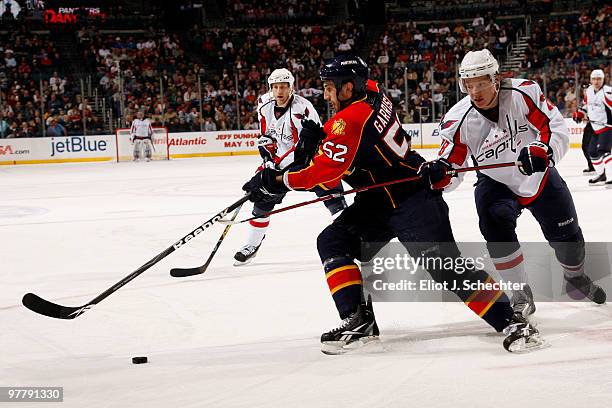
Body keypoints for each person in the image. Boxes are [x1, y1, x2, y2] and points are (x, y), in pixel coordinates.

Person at [241, 54, 544, 354]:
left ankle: (512, 321)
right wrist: (317, 140)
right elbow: (350, 144)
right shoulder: (372, 92)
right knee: (333, 241)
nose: (326, 93)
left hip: (412, 199)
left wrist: (276, 181)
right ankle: (358, 321)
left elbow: (324, 173)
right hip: (378, 199)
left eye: (330, 87)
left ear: (348, 88)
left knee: (445, 266)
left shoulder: (349, 120)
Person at [418, 50, 606, 319]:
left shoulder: (524, 93)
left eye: (481, 83)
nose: (475, 92)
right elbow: (451, 166)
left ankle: (575, 277)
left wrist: (544, 150)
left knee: (569, 236)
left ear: (496, 78)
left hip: (538, 174)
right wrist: (440, 176)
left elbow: (554, 127)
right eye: (468, 85)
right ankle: (519, 291)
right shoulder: (457, 119)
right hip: (496, 183)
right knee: (494, 225)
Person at [233, 68, 348, 266]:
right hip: (280, 160)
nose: (280, 91)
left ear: (291, 87)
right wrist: (267, 159)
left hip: (311, 160)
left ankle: (350, 237)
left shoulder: (303, 109)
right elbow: (265, 136)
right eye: (276, 87)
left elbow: (304, 147)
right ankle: (252, 244)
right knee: (262, 201)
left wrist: (275, 168)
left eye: (284, 87)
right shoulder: (264, 104)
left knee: (334, 200)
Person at [572, 69, 612, 186]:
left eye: (599, 79)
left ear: (603, 79)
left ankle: (610, 176)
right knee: (592, 152)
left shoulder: (608, 92)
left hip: (607, 127)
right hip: (594, 127)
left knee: (604, 151)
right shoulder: (589, 91)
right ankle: (601, 174)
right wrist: (580, 113)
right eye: (594, 79)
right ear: (591, 80)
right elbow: (586, 105)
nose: (596, 81)